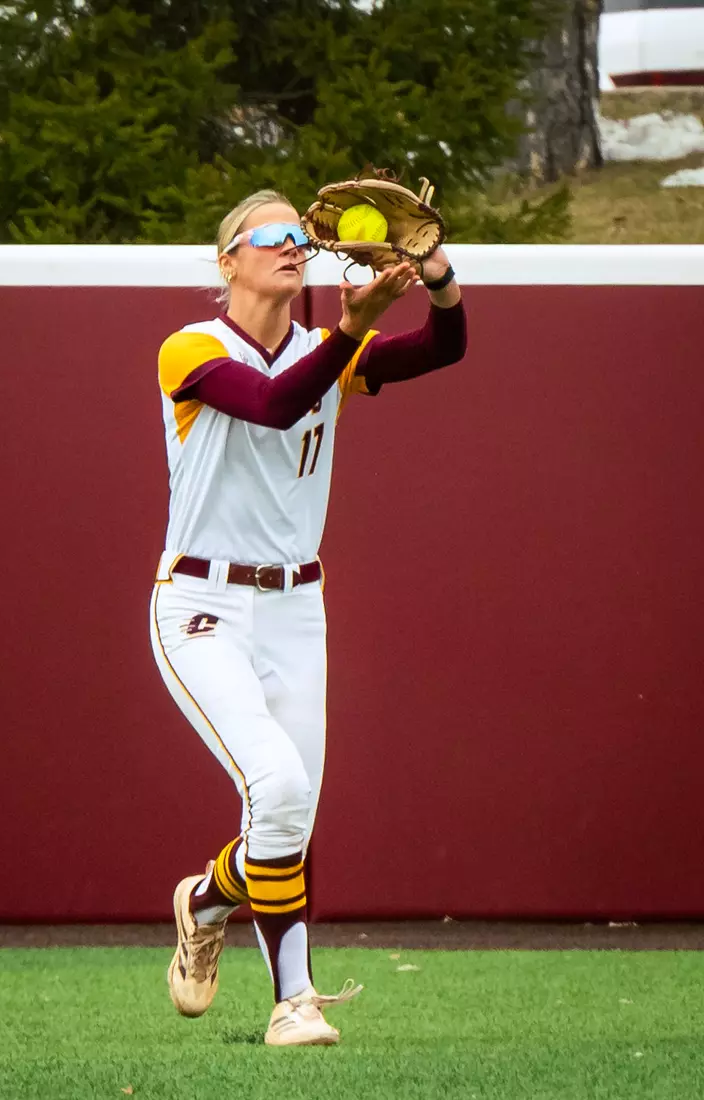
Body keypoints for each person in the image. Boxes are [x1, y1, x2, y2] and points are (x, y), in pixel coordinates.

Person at [150, 188, 466, 1047]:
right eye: (271, 235)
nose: (292, 245)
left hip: (295, 606)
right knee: (278, 789)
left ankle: (207, 900)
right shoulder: (190, 348)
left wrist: (436, 274)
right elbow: (274, 402)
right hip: (203, 604)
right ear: (229, 261)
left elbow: (448, 346)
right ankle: (294, 1004)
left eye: (300, 236)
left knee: (286, 816)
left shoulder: (327, 350)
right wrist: (350, 328)